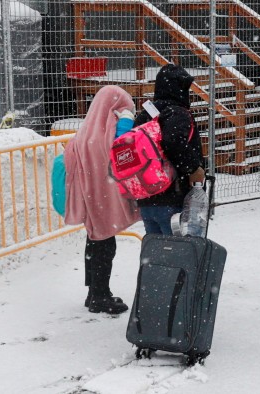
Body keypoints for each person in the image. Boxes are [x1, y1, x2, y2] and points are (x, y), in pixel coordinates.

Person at [63, 85, 140, 314]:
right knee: (106, 244)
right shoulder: (107, 134)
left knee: (95, 241)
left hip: (90, 198)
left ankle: (93, 292)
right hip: (105, 198)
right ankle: (100, 295)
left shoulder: (85, 133)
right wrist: (126, 123)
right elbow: (122, 149)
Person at [133, 64, 205, 235]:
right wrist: (194, 168)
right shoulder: (177, 113)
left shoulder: (146, 114)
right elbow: (174, 142)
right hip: (173, 197)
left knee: (156, 255)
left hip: (147, 198)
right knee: (178, 255)